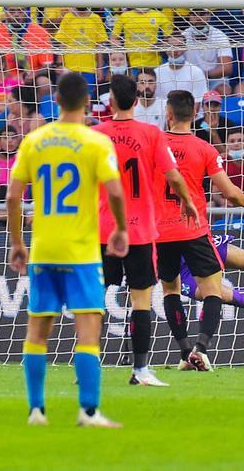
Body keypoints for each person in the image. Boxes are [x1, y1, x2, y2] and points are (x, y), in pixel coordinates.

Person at [8, 72, 127, 428]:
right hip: (80, 254)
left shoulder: (34, 140)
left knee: (37, 333)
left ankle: (36, 411)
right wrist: (120, 228)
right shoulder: (94, 142)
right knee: (88, 332)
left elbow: (13, 196)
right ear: (87, 102)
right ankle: (88, 412)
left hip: (43, 251)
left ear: (56, 101)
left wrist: (17, 243)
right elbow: (116, 192)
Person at [92, 74, 199, 387]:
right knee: (141, 300)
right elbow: (174, 176)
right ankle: (140, 370)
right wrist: (187, 201)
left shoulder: (96, 134)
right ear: (137, 101)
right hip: (140, 232)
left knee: (94, 300)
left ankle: (88, 367)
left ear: (110, 102)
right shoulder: (151, 134)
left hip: (103, 229)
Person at [154, 90, 244, 372]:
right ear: (194, 115)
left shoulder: (153, 145)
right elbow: (227, 192)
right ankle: (201, 349)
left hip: (161, 232)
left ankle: (185, 351)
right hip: (194, 230)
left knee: (170, 292)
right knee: (213, 290)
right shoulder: (204, 149)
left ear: (168, 114)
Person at [182, 10, 236, 93]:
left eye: (202, 14)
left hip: (214, 79)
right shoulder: (183, 36)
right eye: (194, 14)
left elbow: (227, 68)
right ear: (189, 17)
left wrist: (204, 75)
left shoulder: (220, 36)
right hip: (191, 79)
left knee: (224, 90)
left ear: (209, 16)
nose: (198, 18)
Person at [54, 6, 108, 87]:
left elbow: (99, 47)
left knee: (87, 97)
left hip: (89, 69)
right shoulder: (68, 18)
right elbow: (62, 44)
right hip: (69, 68)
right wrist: (60, 65)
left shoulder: (96, 18)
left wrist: (99, 68)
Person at [156, 35, 208, 106]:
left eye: (179, 46)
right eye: (171, 46)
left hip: (190, 115)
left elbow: (197, 103)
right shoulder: (157, 72)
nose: (175, 50)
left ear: (185, 48)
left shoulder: (196, 72)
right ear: (165, 49)